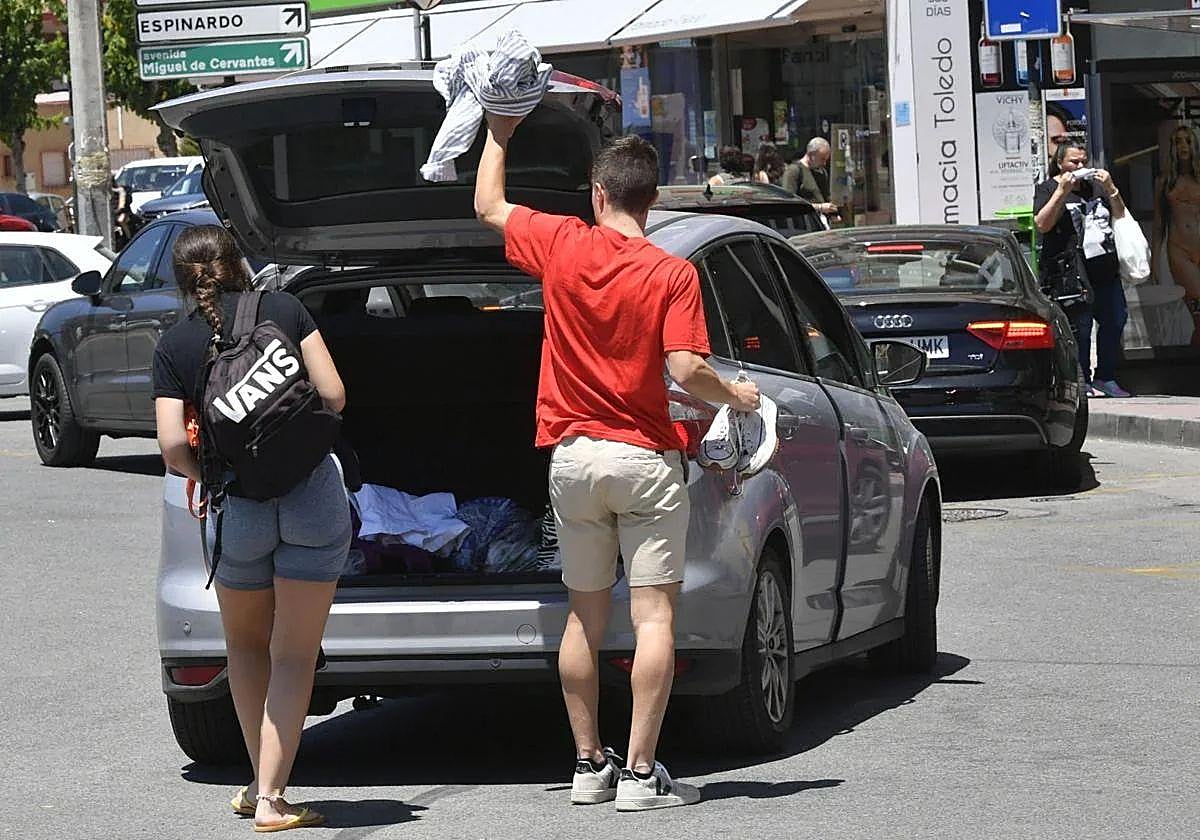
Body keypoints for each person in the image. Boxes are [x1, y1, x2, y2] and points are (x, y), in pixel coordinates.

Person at [474, 119, 760, 811]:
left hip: (572, 457)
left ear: (598, 194)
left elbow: (487, 205)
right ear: (651, 199)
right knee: (655, 618)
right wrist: (739, 395)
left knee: (582, 619)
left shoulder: (563, 244)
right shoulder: (672, 273)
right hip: (642, 458)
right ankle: (638, 775)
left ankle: (585, 764)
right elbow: (686, 369)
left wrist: (499, 127)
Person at [153, 226, 349, 831]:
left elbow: (169, 446)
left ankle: (258, 785)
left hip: (237, 507)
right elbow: (335, 395)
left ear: (183, 280)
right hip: (313, 497)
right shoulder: (285, 308)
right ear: (239, 265)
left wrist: (211, 471)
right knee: (294, 656)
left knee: (244, 647)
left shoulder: (176, 345)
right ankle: (272, 795)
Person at [1034, 140, 1132, 397]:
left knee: (1115, 318)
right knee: (1082, 326)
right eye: (1073, 162)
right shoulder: (1048, 188)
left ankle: (1106, 377)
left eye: (1083, 162)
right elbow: (1042, 224)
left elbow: (1120, 215)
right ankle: (1082, 380)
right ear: (1060, 163)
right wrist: (1061, 192)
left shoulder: (1095, 188)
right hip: (1073, 271)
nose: (1080, 167)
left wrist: (1111, 189)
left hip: (1105, 266)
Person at [1152, 123, 1200, 345]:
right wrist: (1154, 263)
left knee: (1197, 318)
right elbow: (1159, 224)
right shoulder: (1164, 181)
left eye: (1188, 141)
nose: (1183, 146)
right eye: (1178, 141)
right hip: (1179, 250)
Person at [783, 138, 838, 219]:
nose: (824, 163)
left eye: (826, 160)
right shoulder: (794, 171)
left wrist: (832, 213)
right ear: (811, 154)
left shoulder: (822, 172)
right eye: (822, 159)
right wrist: (820, 207)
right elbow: (789, 205)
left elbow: (825, 197)